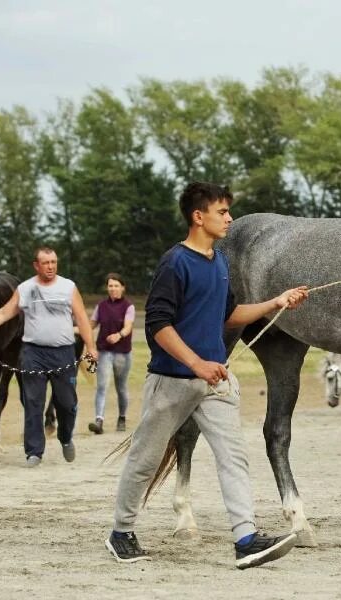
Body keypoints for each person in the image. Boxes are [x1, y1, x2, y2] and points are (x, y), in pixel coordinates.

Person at [105, 181, 309, 569]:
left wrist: (276, 302)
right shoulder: (174, 263)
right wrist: (196, 363)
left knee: (234, 457)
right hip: (172, 380)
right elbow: (159, 326)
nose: (230, 218)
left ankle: (245, 538)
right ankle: (121, 532)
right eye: (222, 212)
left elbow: (229, 315)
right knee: (145, 459)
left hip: (214, 383)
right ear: (199, 217)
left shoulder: (219, 262)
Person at [0, 247, 98, 467]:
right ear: (36, 265)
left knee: (67, 403)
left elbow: (81, 318)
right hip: (33, 353)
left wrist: (91, 347)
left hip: (63, 353)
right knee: (32, 402)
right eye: (46, 263)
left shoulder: (68, 287)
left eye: (53, 262)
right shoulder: (25, 288)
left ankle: (65, 437)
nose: (51, 266)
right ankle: (34, 452)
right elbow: (3, 313)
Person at [88, 273, 135, 434]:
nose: (113, 288)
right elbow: (91, 325)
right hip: (104, 352)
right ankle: (99, 420)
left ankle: (121, 417)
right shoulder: (101, 306)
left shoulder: (128, 307)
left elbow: (128, 326)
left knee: (121, 388)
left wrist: (119, 335)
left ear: (122, 287)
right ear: (107, 288)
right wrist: (73, 329)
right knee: (102, 386)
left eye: (116, 285)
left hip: (122, 354)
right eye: (110, 285)